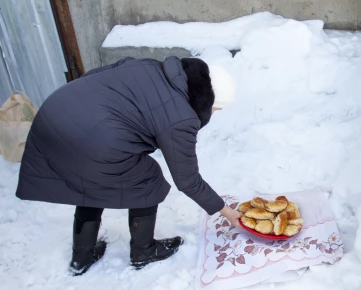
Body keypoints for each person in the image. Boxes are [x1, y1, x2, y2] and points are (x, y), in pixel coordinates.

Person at [16, 57, 242, 275]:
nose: (214, 114)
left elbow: (96, 75)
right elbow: (187, 179)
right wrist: (225, 211)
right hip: (91, 138)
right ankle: (144, 251)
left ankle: (82, 256)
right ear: (208, 100)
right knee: (147, 178)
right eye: (217, 109)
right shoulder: (182, 117)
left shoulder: (152, 67)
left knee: (91, 179)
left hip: (55, 113)